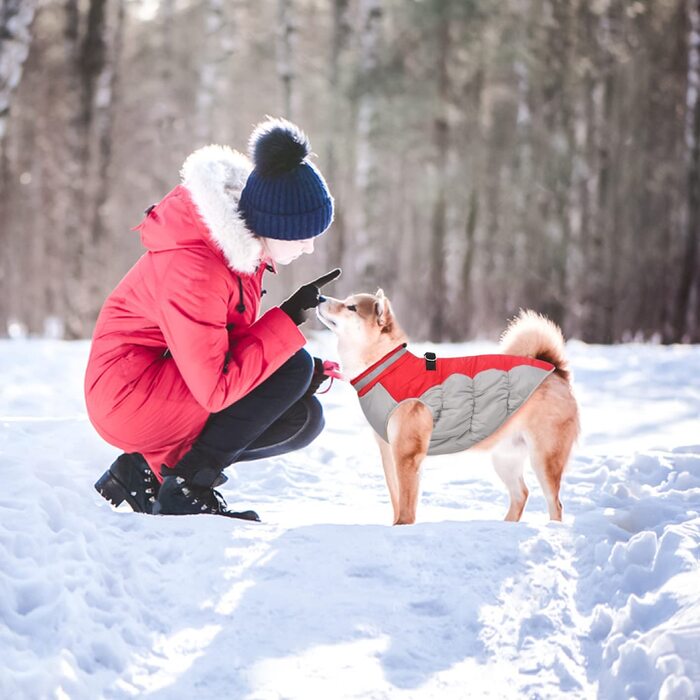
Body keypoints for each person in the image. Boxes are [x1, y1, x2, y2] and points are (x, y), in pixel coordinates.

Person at [84, 118, 340, 520]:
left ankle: (148, 473)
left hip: (164, 382)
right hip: (128, 396)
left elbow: (221, 348)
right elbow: (215, 388)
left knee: (302, 417)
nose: (309, 248)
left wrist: (289, 364)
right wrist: (285, 329)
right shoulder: (197, 268)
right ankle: (186, 487)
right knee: (292, 367)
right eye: (303, 235)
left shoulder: (238, 254)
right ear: (275, 225)